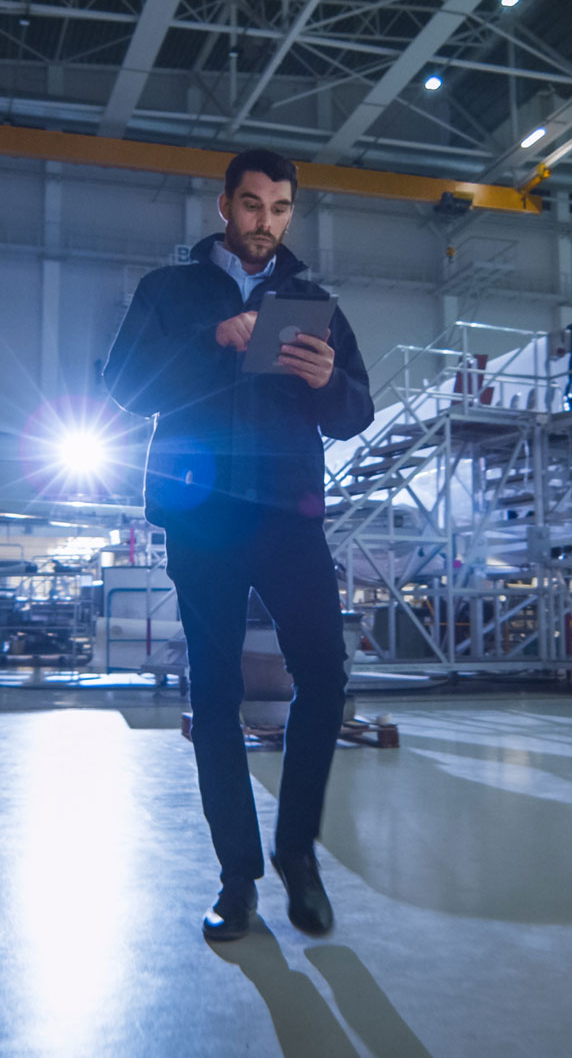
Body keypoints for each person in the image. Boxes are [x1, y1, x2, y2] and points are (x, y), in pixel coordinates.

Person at [104, 149, 374, 941]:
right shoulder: (169, 292)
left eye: (281, 208)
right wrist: (211, 339)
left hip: (290, 516)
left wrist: (328, 381)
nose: (267, 223)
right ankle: (237, 879)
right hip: (204, 517)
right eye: (253, 205)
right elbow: (124, 389)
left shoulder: (313, 303)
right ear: (225, 205)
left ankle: (298, 855)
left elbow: (353, 414)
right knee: (214, 695)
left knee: (324, 671)